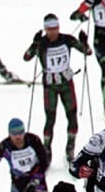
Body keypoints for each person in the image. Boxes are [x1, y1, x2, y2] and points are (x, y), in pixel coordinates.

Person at [23, 16, 91, 157]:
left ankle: (70, 147)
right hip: (50, 86)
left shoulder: (67, 39)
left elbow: (87, 52)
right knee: (50, 119)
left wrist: (84, 42)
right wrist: (34, 44)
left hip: (66, 84)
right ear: (45, 29)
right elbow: (27, 57)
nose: (53, 32)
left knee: (72, 117)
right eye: (49, 29)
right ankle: (46, 149)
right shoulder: (42, 43)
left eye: (55, 28)